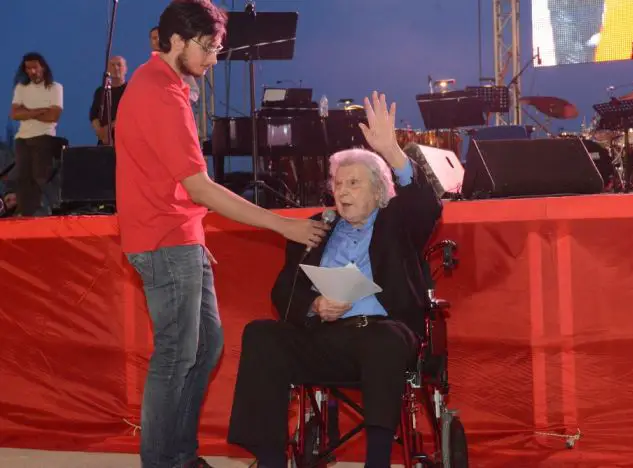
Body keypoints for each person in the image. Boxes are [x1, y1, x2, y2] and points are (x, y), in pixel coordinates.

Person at [114, 1, 329, 467]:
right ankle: (165, 462)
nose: (214, 59)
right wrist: (283, 224)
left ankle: (181, 455)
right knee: (175, 355)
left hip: (179, 236)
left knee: (206, 346)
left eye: (217, 48)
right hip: (164, 240)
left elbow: (175, 184)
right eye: (208, 48)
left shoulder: (167, 85)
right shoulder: (159, 94)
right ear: (175, 42)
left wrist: (193, 236)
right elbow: (199, 187)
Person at [227, 91, 443, 468]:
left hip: (381, 333)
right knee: (261, 334)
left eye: (353, 184)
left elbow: (427, 206)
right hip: (325, 337)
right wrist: (313, 305)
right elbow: (283, 292)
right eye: (338, 184)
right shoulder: (315, 230)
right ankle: (269, 459)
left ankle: (377, 460)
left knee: (384, 339)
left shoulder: (396, 225)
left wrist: (393, 152)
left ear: (379, 191)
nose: (341, 191)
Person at [9, 52, 63, 216]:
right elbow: (15, 114)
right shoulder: (21, 88)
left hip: (44, 137)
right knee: (23, 179)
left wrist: (27, 112)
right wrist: (40, 111)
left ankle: (50, 211)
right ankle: (26, 214)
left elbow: (53, 116)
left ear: (43, 67)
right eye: (28, 68)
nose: (32, 71)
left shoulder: (55, 87)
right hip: (22, 139)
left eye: (35, 67)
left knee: (41, 177)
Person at [89, 56, 128, 145]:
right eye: (112, 65)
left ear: (126, 69)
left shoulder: (131, 90)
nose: (115, 68)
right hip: (104, 143)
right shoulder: (100, 91)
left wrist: (107, 130)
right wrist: (100, 132)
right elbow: (94, 115)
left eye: (119, 65)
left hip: (124, 141)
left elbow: (129, 116)